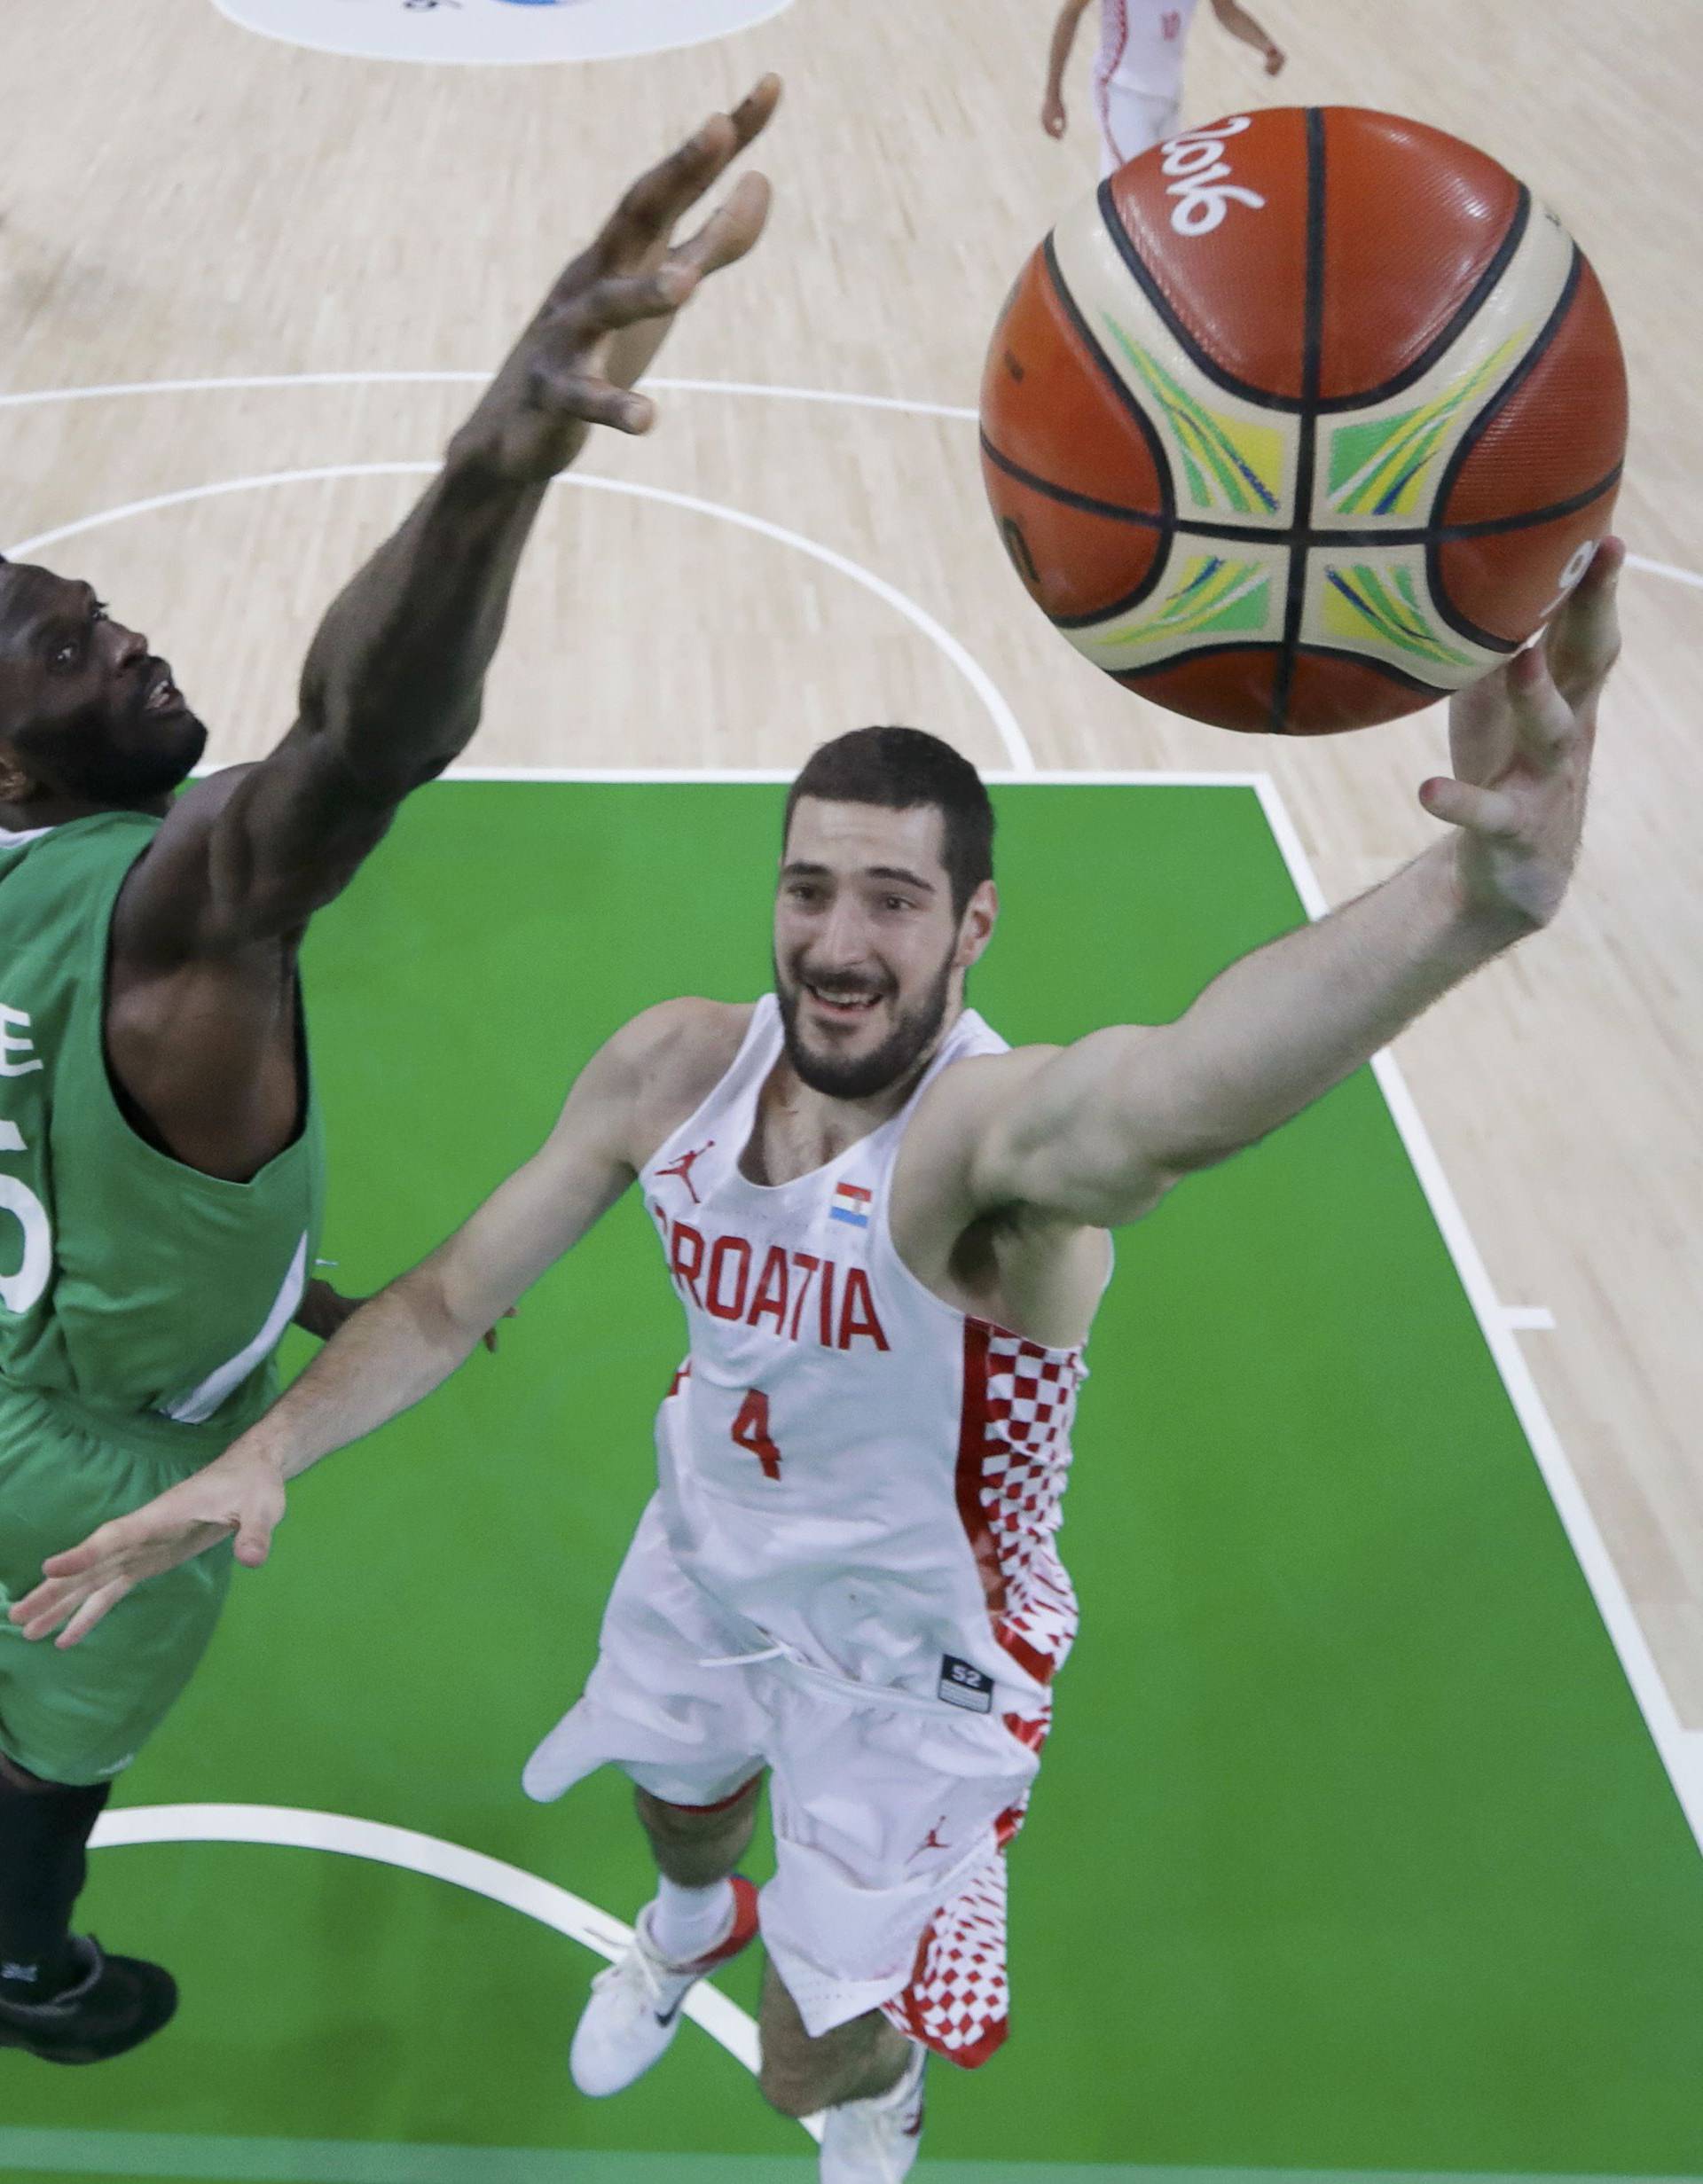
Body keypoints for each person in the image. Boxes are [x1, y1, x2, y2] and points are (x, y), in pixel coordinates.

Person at [13, 544, 1622, 2176]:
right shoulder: (676, 1066)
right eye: (812, 888)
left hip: (912, 1654)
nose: (840, 943)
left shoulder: (993, 1148)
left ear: (974, 923)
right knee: (680, 1790)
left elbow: (1176, 1094)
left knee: (801, 2065)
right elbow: (437, 1303)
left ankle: (877, 2091)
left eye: (896, 900)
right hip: (711, 1546)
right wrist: (259, 1452)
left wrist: (1466, 899)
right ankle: (688, 1920)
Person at [0, 76, 779, 2068]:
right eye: (72, 659)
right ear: (14, 767)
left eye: (99, 614)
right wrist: (493, 465)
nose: (130, 646)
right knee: (64, 1717)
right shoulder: (176, 913)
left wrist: (273, 1280)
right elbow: (358, 740)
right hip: (95, 1450)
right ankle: (17, 1953)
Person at [1042, 0, 1286, 176]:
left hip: (1169, 97)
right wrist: (1053, 95)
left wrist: (1265, 45)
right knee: (1136, 187)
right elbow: (1069, 15)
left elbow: (1227, 11)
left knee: (1160, 188)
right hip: (1121, 94)